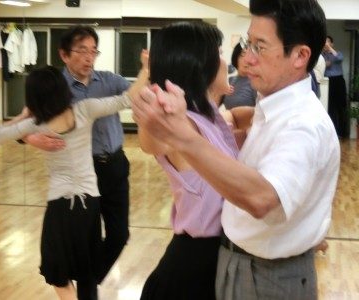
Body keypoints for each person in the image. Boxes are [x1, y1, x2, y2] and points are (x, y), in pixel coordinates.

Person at [132, 0, 340, 299]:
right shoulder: (269, 112)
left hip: (261, 274)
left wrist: (306, 230)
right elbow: (153, 142)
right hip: (220, 264)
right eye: (248, 44)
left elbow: (260, 197)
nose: (247, 58)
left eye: (260, 47)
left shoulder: (300, 124)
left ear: (300, 55)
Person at [0, 64, 148, 300]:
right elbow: (126, 99)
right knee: (86, 271)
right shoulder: (84, 110)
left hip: (62, 205)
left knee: (57, 272)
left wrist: (24, 117)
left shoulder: (36, 124)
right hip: (90, 202)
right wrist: (145, 69)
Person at [138, 21, 242, 300]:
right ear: (200, 64)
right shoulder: (183, 124)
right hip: (192, 267)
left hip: (217, 258)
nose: (226, 60)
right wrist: (155, 100)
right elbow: (151, 142)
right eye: (220, 52)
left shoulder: (210, 114)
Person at [22, 26, 131, 282]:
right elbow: (23, 121)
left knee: (119, 235)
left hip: (114, 166)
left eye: (93, 51)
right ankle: (86, 288)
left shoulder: (109, 81)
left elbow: (136, 97)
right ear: (64, 54)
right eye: (82, 51)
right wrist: (30, 137)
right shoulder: (54, 87)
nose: (89, 57)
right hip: (81, 173)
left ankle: (88, 280)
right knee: (85, 243)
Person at [323, 35, 349, 137]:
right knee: (330, 107)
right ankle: (333, 133)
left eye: (328, 42)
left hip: (338, 81)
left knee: (341, 106)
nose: (326, 44)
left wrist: (330, 49)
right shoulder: (322, 56)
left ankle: (343, 133)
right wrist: (325, 64)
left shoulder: (337, 53)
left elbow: (340, 58)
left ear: (332, 44)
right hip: (328, 81)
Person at [222, 43, 257, 109]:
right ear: (236, 57)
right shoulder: (229, 80)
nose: (246, 60)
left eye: (251, 56)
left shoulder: (255, 82)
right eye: (242, 55)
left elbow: (261, 112)